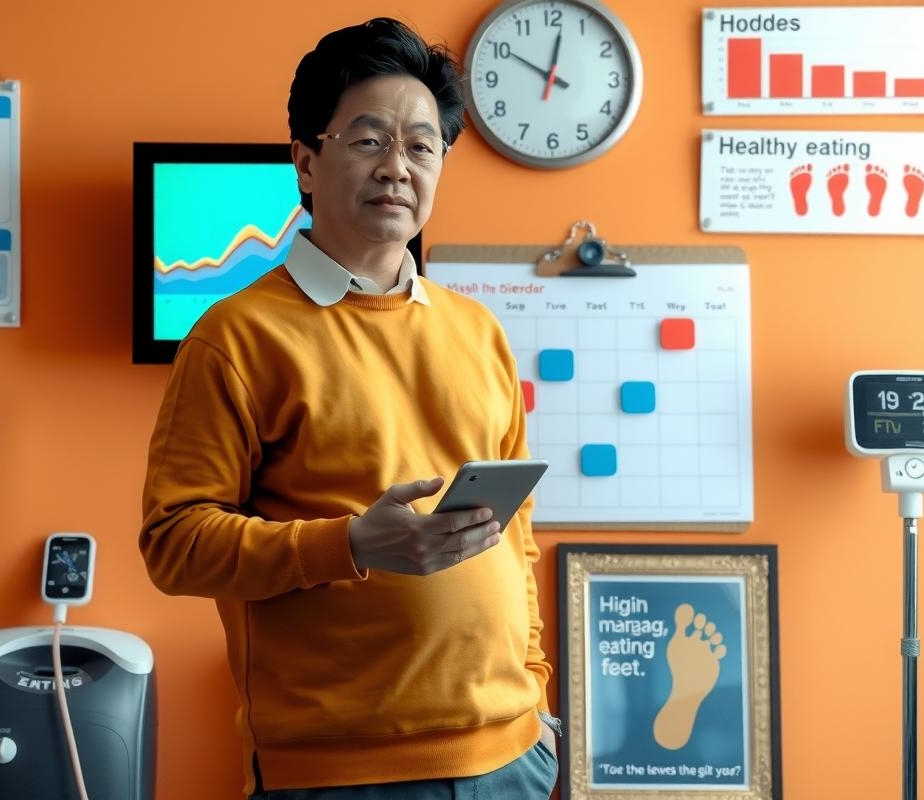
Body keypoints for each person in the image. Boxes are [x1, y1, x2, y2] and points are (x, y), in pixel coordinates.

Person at [139, 17, 558, 799]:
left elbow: (518, 536)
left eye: (423, 147)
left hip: (513, 756)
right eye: (369, 141)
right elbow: (174, 543)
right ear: (305, 161)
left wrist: (534, 687)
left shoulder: (478, 331)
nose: (399, 168)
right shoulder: (235, 337)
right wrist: (351, 545)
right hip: (341, 775)